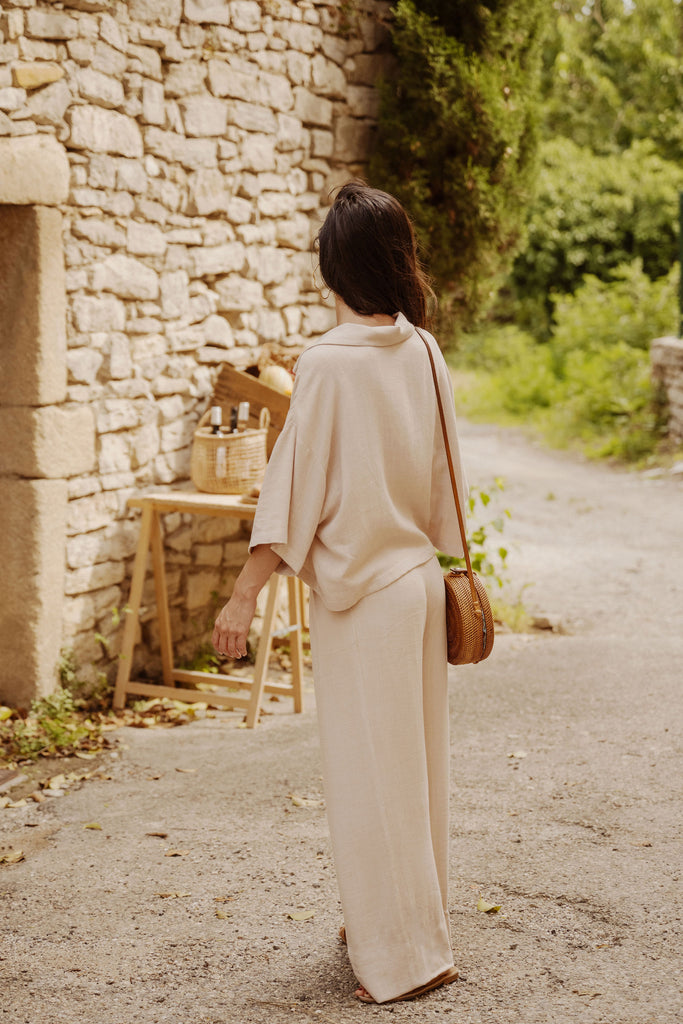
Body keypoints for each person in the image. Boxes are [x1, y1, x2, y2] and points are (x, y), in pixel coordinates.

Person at [212, 180, 467, 1004]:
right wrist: (456, 561)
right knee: (414, 774)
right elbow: (446, 477)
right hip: (418, 588)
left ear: (335, 265)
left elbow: (293, 490)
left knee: (370, 777)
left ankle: (403, 958)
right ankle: (393, 925)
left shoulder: (323, 363)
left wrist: (243, 595)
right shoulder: (423, 350)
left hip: (361, 602)